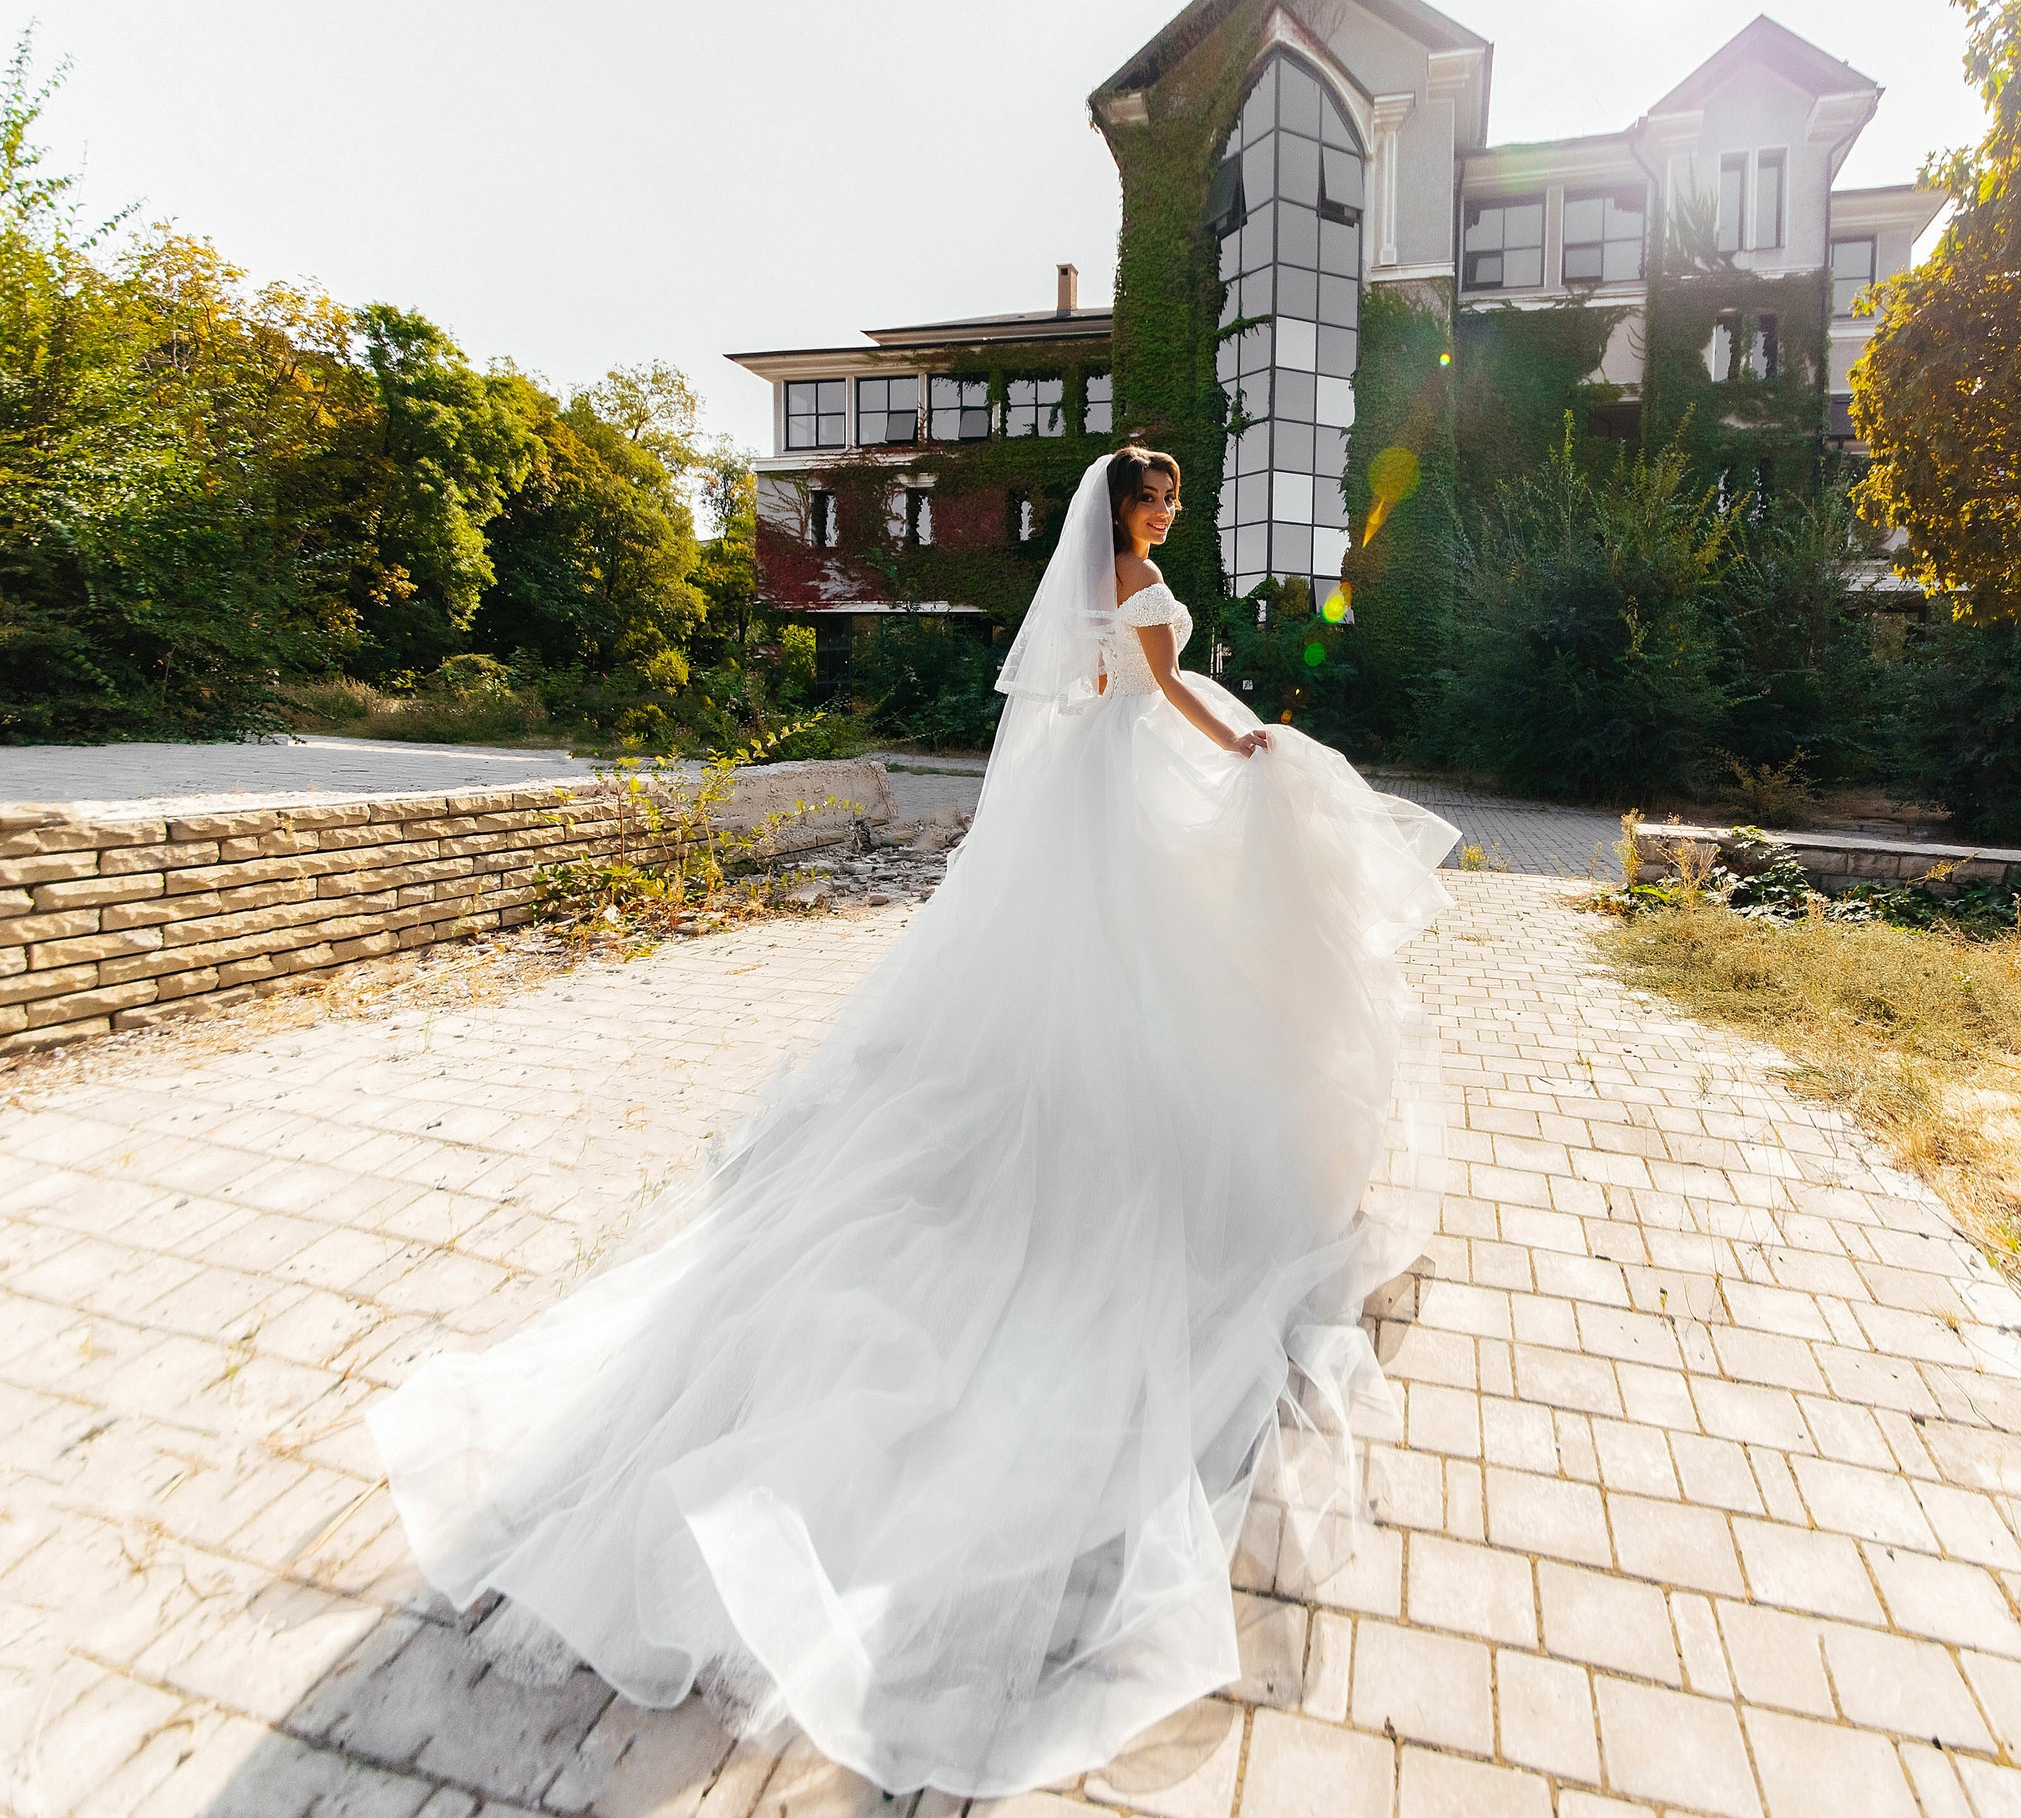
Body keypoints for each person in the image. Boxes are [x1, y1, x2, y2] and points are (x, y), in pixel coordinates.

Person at [368, 447, 1458, 1799]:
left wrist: (1191, 723)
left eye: (1172, 501)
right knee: (1139, 978)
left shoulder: (1098, 583)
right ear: (1125, 510)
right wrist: (1239, 738)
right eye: (1157, 498)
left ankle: (1077, 1102)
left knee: (1103, 980)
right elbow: (1163, 688)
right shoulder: (1128, 584)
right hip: (1133, 786)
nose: (1168, 515)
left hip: (1094, 794)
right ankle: (1105, 1135)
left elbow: (1089, 693)